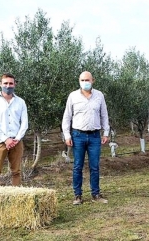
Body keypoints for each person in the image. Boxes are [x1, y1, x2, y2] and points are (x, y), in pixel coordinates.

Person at [62, 71, 110, 205]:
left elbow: (104, 115)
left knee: (95, 166)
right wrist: (67, 135)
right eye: (82, 80)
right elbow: (67, 117)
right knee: (78, 166)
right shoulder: (73, 96)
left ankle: (96, 194)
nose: (85, 83)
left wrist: (106, 132)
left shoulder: (99, 95)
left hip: (95, 136)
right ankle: (78, 195)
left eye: (87, 80)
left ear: (93, 80)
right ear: (79, 81)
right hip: (78, 135)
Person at [0, 73, 28, 188]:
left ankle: (16, 199)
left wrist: (16, 139)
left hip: (16, 141)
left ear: (15, 84)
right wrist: (6, 139)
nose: (8, 86)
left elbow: (24, 123)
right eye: (5, 83)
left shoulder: (21, 102)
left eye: (11, 83)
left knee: (16, 172)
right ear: (0, 84)